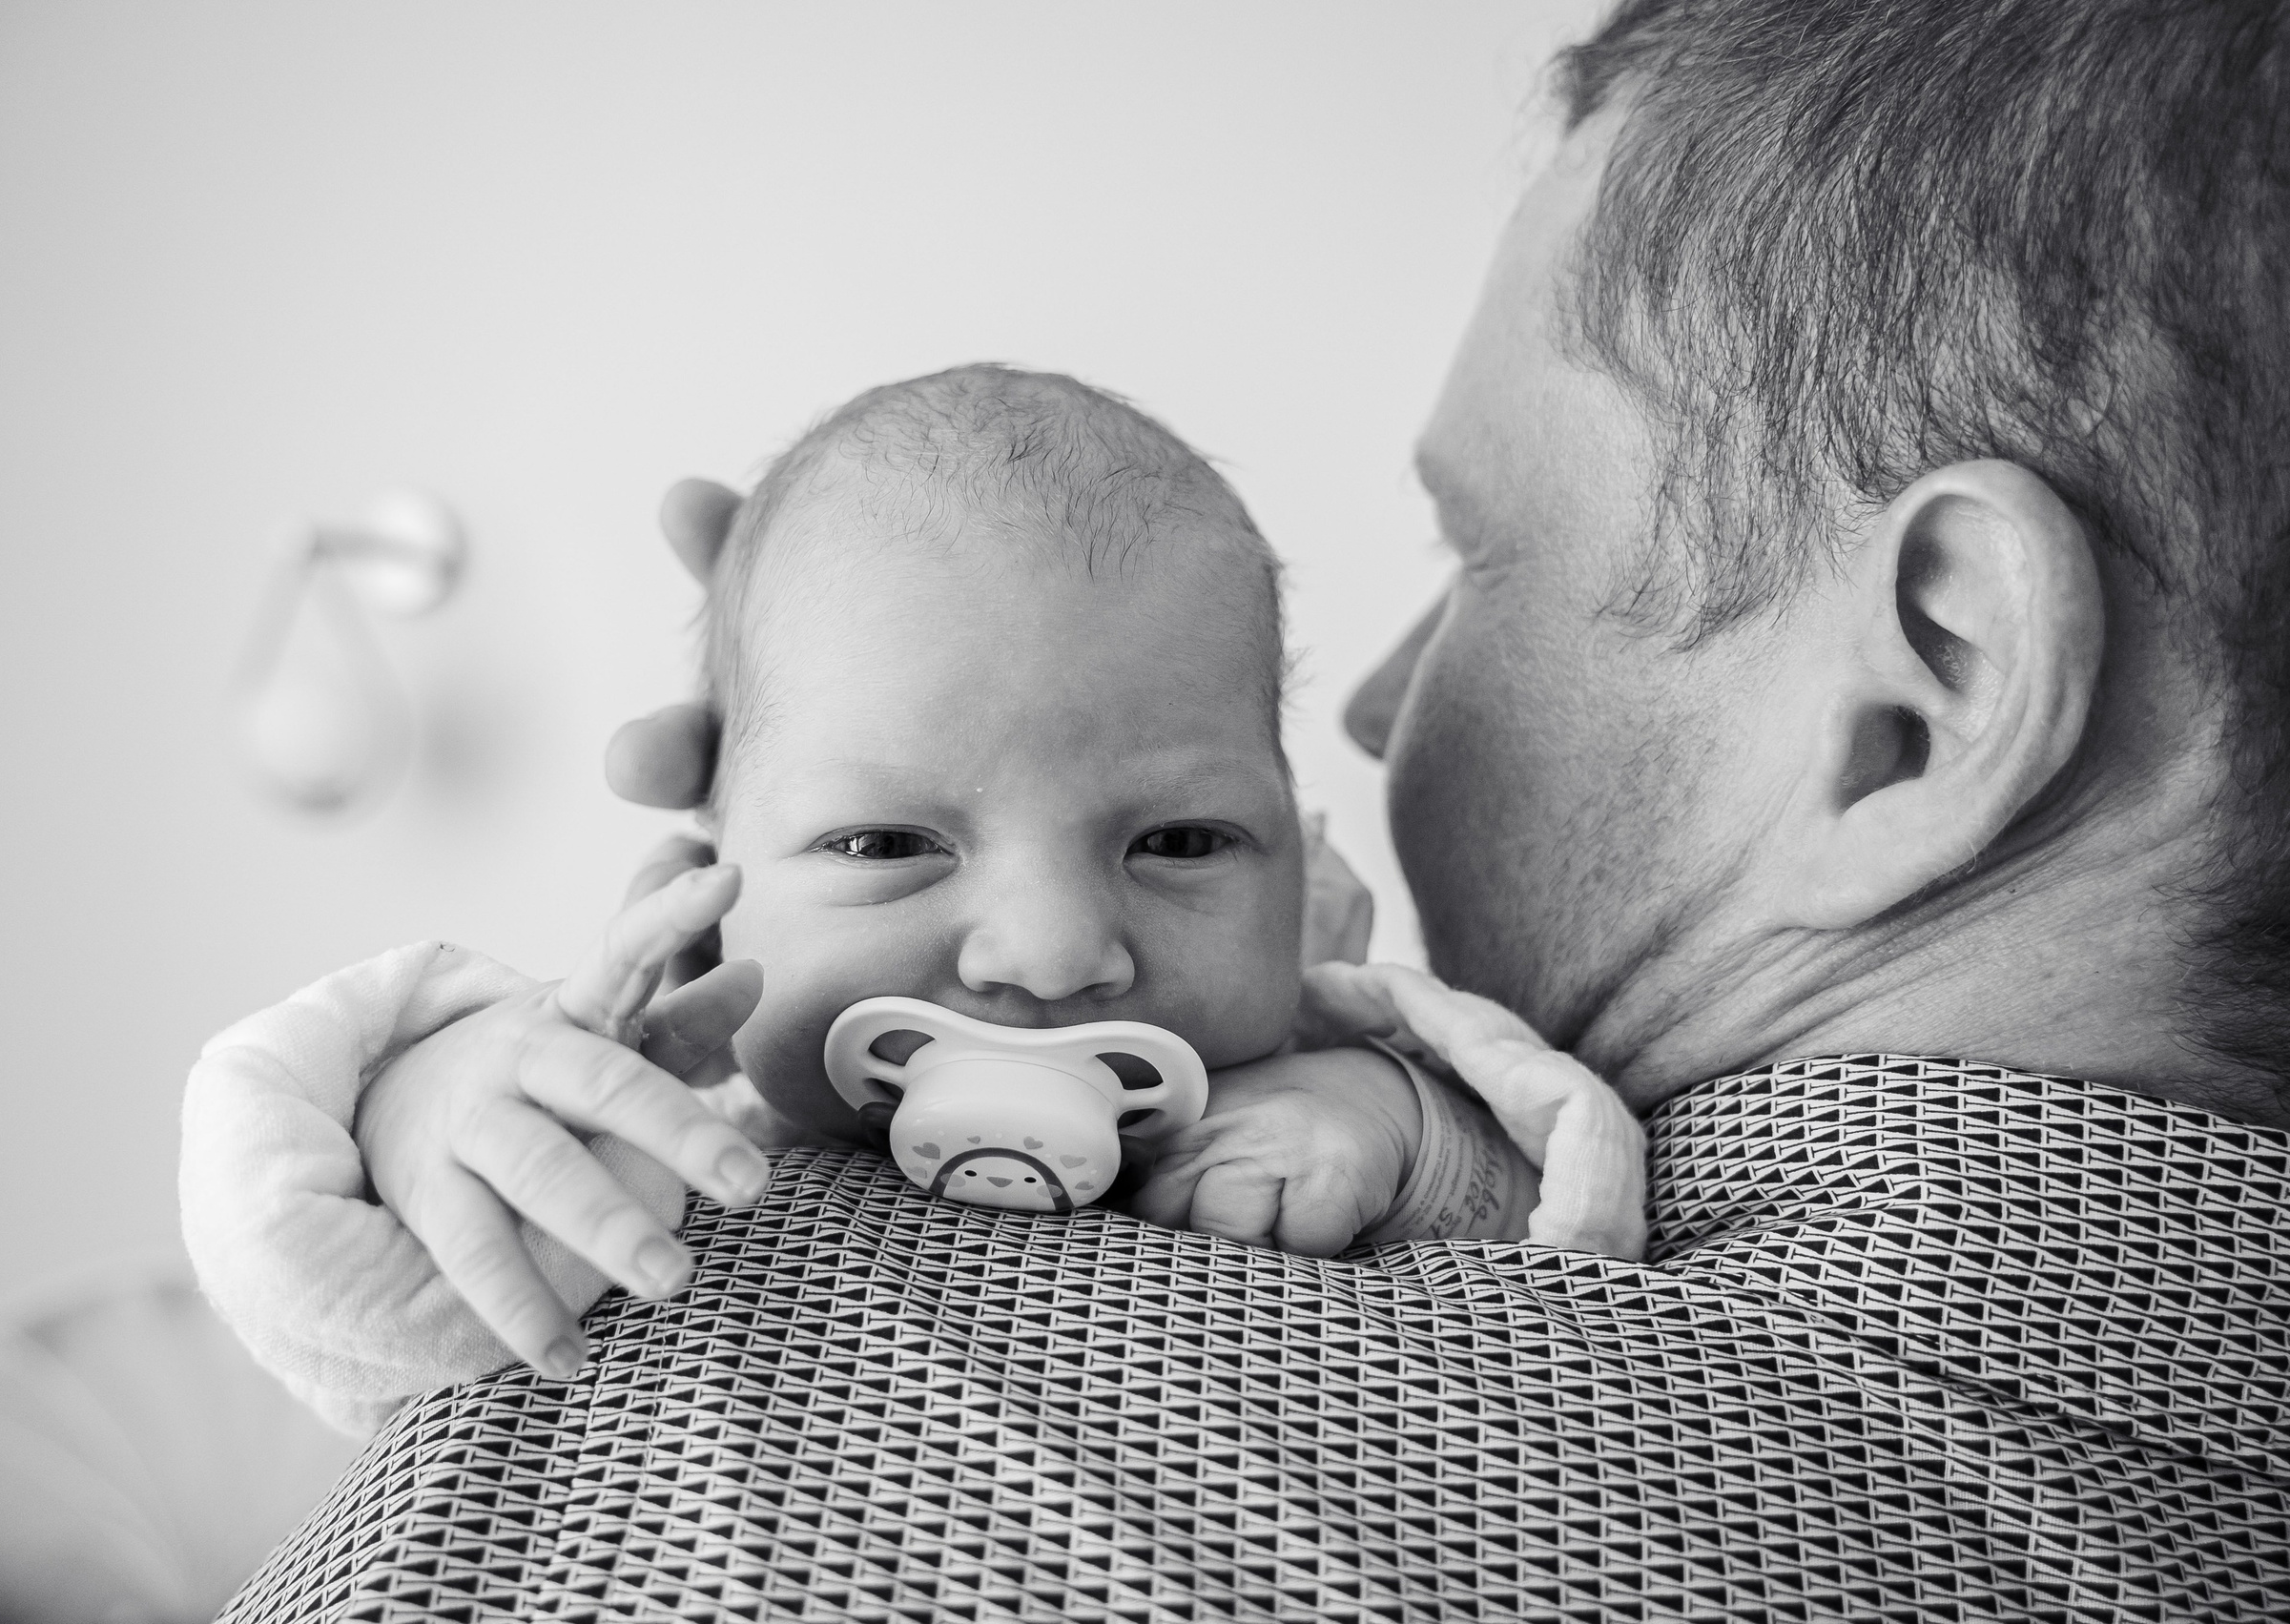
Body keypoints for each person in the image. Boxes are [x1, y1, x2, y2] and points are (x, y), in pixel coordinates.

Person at [208, 2, 2290, 1617]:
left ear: (1919, 698)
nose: (1372, 715)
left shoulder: (695, 1436)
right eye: (882, 838)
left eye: (1476, 556)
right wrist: (417, 1087)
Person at [183, 363, 1646, 1430]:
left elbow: (1580, 1247)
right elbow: (337, 1316)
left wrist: (1398, 1140)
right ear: (709, 882)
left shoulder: (1333, 1056)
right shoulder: (630, 1129)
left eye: (1186, 842)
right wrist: (422, 1119)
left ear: (1301, 859)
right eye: (890, 846)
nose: (1055, 953)